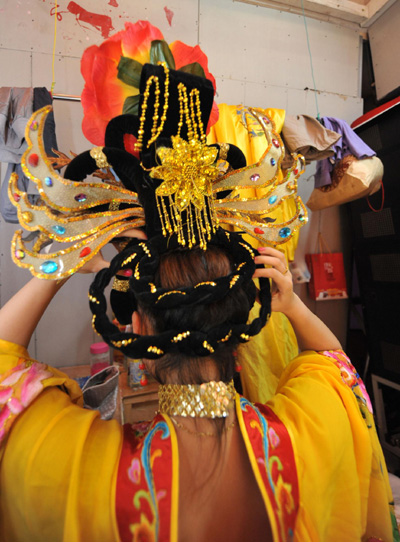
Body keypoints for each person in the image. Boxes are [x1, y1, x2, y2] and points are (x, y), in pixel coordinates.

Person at [1, 60, 398, 542]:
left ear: (141, 332)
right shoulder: (303, 437)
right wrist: (294, 306)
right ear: (237, 315)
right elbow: (338, 369)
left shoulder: (76, 468)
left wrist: (58, 267)